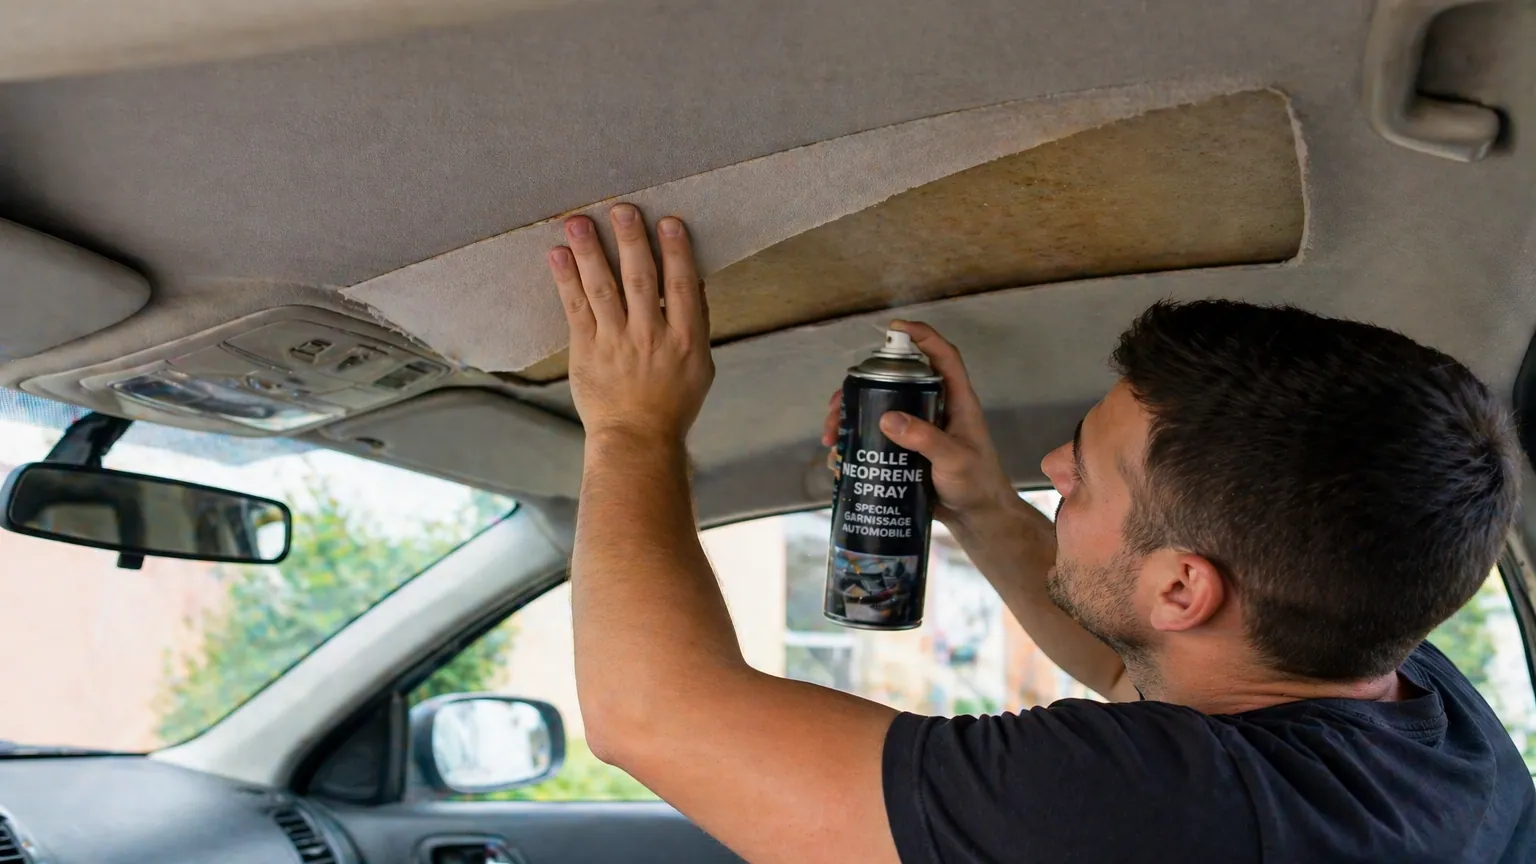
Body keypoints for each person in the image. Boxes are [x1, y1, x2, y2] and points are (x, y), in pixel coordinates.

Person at [544, 203, 1536, 863]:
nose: (1053, 469)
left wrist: (633, 427)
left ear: (1185, 588)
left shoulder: (1168, 811)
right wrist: (978, 499)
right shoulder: (1429, 720)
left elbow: (653, 718)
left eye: (1085, 475)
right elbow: (1133, 664)